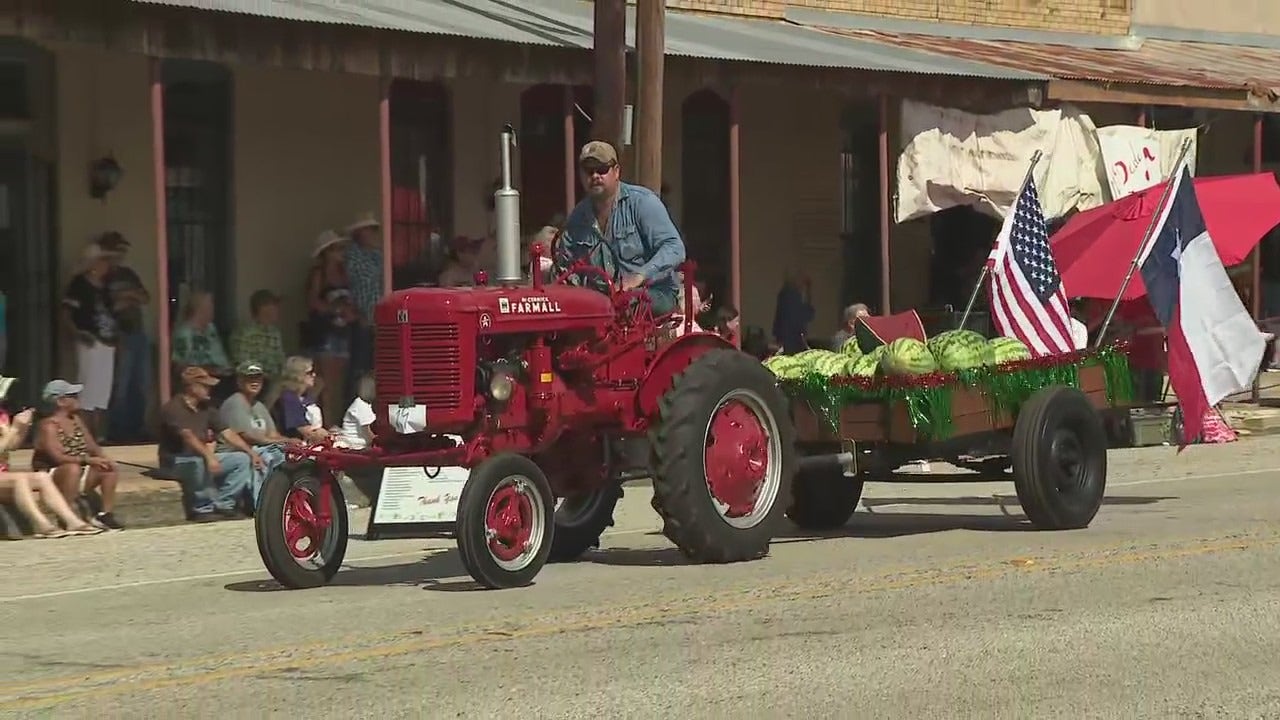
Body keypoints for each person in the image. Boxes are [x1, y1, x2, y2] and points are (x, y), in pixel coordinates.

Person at [555, 141, 686, 315]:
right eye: (588, 170)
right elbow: (567, 265)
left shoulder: (642, 202)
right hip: (605, 302)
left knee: (621, 305)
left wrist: (638, 277)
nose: (595, 175)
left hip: (654, 294)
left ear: (616, 171)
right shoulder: (578, 217)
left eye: (602, 169)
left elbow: (674, 248)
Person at [159, 366, 262, 522]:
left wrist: (250, 453)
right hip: (176, 460)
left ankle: (224, 503)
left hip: (201, 455)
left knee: (241, 460)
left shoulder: (207, 408)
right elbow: (188, 437)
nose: (210, 390)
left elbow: (227, 433)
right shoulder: (173, 408)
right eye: (205, 386)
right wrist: (209, 456)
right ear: (191, 387)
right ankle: (202, 508)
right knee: (198, 461)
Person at [0, 400, 102, 537]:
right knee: (20, 479)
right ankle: (42, 524)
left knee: (42, 477)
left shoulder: (2, 415)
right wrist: (14, 429)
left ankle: (72, 521)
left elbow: (11, 446)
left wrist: (22, 427)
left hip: (3, 474)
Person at [31, 380, 124, 530]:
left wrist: (104, 458)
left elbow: (92, 446)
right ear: (61, 401)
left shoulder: (76, 420)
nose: (77, 399)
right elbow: (58, 458)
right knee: (72, 468)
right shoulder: (48, 425)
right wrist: (88, 459)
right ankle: (67, 516)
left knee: (108, 468)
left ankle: (105, 514)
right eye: (73, 396)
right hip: (55, 473)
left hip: (79, 467)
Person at [60, 242, 119, 440]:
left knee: (103, 392)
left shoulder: (105, 286)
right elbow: (67, 313)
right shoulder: (79, 284)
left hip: (107, 343)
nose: (106, 265)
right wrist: (77, 333)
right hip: (90, 341)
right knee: (88, 389)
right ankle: (85, 434)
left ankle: (98, 435)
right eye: (103, 260)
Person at [219, 362, 296, 511]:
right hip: (235, 451)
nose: (254, 382)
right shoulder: (235, 402)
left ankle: (282, 500)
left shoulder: (258, 406)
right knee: (266, 457)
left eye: (258, 379)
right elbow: (248, 436)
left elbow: (272, 434)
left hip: (258, 447)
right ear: (239, 381)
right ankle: (260, 505)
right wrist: (285, 440)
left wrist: (286, 442)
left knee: (286, 454)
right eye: (249, 379)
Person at [99, 231, 152, 443]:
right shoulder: (101, 277)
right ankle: (117, 431)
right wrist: (127, 298)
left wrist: (126, 297)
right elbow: (108, 306)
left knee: (141, 383)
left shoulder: (128, 274)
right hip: (117, 335)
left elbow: (145, 297)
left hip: (137, 333)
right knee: (120, 384)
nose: (121, 254)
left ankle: (136, 428)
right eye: (118, 250)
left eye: (123, 250)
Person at [304, 230, 356, 424]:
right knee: (324, 382)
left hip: (343, 331)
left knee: (339, 381)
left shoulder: (344, 273)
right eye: (336, 248)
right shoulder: (319, 273)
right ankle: (326, 422)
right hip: (324, 332)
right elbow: (312, 301)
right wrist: (334, 310)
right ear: (326, 252)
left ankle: (337, 421)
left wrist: (350, 312)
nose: (341, 252)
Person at [343, 213, 383, 407]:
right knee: (359, 368)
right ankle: (354, 410)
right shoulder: (352, 255)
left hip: (378, 320)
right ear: (359, 233)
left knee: (375, 368)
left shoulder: (377, 255)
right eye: (370, 230)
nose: (374, 234)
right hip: (361, 319)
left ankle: (371, 410)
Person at [171, 290, 234, 399]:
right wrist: (206, 371)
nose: (213, 310)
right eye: (210, 306)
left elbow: (220, 357)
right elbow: (179, 366)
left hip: (222, 376)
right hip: (201, 378)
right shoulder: (184, 333)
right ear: (199, 309)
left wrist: (226, 369)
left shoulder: (211, 329)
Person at [229, 289, 287, 390]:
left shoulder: (274, 332)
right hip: (254, 380)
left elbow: (280, 360)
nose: (278, 310)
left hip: (275, 379)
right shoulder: (244, 333)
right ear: (264, 309)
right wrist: (264, 375)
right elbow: (242, 363)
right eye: (274, 306)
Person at [271, 356, 333, 444]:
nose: (314, 375)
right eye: (310, 372)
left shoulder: (306, 398)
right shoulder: (289, 399)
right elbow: (306, 431)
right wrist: (329, 436)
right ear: (298, 376)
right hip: (294, 450)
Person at [772, 271, 814, 354]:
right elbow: (807, 315)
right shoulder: (791, 296)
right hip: (791, 338)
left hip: (787, 337)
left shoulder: (786, 295)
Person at [337, 374, 376, 450]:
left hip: (362, 446)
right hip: (354, 446)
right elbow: (369, 432)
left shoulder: (368, 405)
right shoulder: (360, 404)